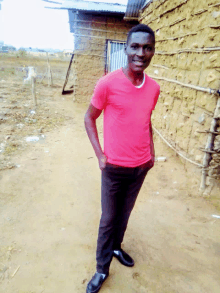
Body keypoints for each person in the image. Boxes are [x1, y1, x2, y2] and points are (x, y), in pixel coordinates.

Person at [84, 24, 160, 293]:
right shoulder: (108, 84)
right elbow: (89, 118)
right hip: (114, 166)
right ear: (126, 49)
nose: (141, 52)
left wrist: (150, 153)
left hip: (140, 166)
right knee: (109, 218)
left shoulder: (153, 88)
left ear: (153, 51)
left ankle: (117, 246)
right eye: (135, 46)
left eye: (147, 47)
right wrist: (100, 156)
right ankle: (101, 269)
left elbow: (145, 120)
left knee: (124, 214)